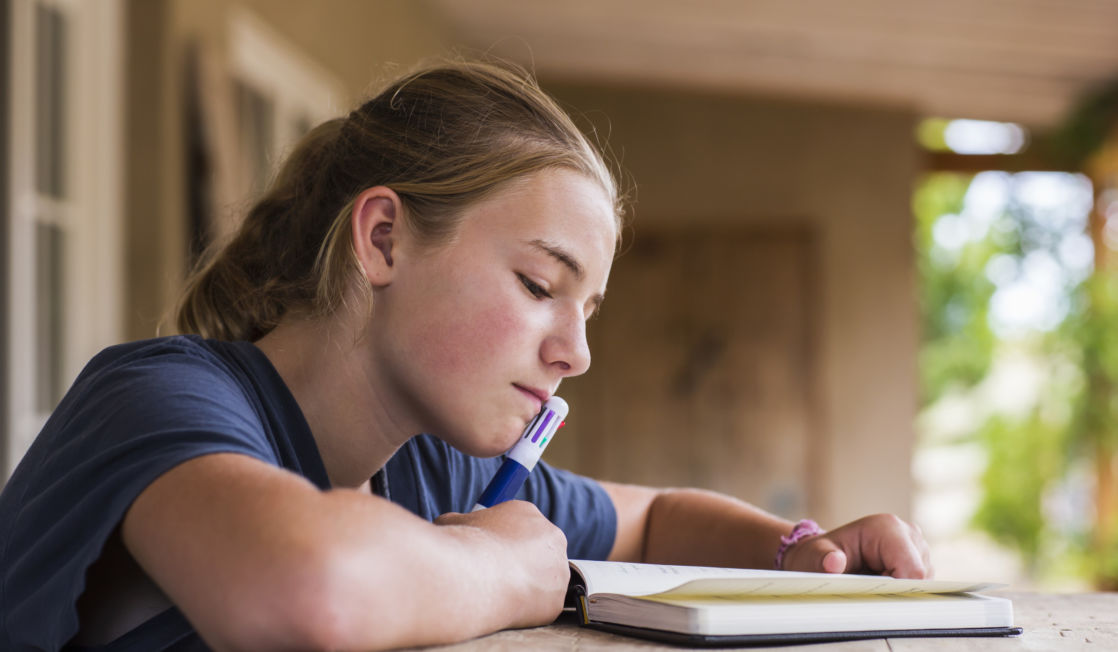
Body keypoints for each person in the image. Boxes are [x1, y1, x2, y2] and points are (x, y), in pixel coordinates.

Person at [0, 60, 931, 651]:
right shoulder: (158, 397)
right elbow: (308, 588)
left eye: (589, 308)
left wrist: (801, 550)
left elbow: (652, 521)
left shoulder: (432, 460)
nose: (576, 352)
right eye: (538, 285)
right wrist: (502, 570)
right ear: (384, 241)